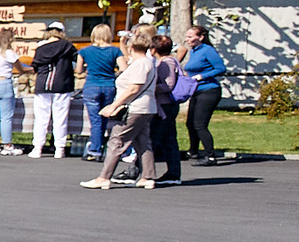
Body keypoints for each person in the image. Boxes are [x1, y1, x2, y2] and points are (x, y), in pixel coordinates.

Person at [83, 29, 162, 192]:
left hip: (134, 107)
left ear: (132, 46)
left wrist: (114, 105)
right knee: (142, 142)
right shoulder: (147, 62)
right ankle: (147, 176)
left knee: (116, 140)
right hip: (146, 107)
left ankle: (104, 177)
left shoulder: (140, 64)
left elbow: (134, 88)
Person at [26, 22, 77, 158]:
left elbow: (35, 66)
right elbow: (77, 59)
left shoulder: (40, 47)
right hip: (62, 84)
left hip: (43, 85)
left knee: (41, 118)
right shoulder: (67, 46)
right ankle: (59, 148)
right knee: (60, 118)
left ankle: (37, 148)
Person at [181, 24, 228, 165]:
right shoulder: (195, 51)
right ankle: (193, 151)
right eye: (187, 36)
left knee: (200, 124)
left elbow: (220, 68)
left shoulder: (207, 50)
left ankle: (210, 156)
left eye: (190, 37)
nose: (187, 39)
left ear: (201, 37)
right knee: (190, 123)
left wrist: (202, 76)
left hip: (209, 90)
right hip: (196, 90)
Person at [77, 23, 122, 159]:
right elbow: (123, 67)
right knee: (105, 118)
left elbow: (78, 70)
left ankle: (95, 149)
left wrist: (87, 69)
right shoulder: (115, 51)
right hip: (109, 84)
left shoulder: (84, 51)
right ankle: (103, 145)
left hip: (91, 85)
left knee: (95, 119)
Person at [148, 32, 186, 184]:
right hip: (167, 104)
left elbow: (168, 84)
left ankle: (141, 170)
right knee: (168, 139)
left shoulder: (166, 62)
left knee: (155, 137)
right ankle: (173, 172)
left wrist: (150, 86)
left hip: (165, 105)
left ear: (154, 49)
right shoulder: (169, 60)